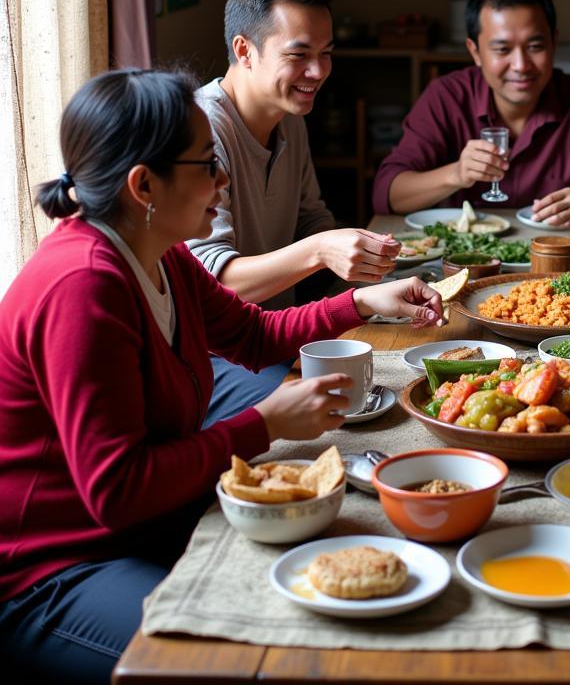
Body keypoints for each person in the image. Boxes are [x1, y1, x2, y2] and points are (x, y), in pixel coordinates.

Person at [0, 69, 442, 684]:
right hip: (53, 568)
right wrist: (260, 426)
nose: (224, 179)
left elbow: (255, 335)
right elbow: (117, 491)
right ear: (143, 184)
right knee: (241, 659)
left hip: (142, 527)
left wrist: (362, 303)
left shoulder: (163, 254)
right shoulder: (84, 287)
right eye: (207, 163)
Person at [188, 0, 401, 420]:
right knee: (342, 411)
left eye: (326, 53)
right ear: (244, 51)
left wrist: (363, 255)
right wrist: (324, 249)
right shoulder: (200, 132)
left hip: (278, 334)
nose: (318, 71)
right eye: (299, 54)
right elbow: (218, 283)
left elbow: (311, 220)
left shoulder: (290, 117)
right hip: (215, 353)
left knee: (400, 374)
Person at [372, 0, 570, 228]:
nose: (521, 65)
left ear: (554, 43)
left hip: (555, 268)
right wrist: (456, 174)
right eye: (502, 49)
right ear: (475, 52)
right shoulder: (446, 96)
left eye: (535, 47)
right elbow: (387, 194)